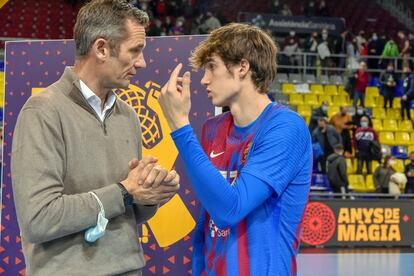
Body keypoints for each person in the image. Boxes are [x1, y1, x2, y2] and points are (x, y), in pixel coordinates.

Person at [11, 1, 180, 275]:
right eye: (135, 51)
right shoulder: (42, 112)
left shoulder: (128, 115)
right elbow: (38, 219)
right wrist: (125, 192)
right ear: (101, 48)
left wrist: (150, 195)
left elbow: (132, 213)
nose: (142, 62)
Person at [158, 23, 312, 275]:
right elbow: (206, 218)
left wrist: (179, 125)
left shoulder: (286, 128)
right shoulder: (212, 128)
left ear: (243, 67)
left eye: (212, 67)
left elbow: (230, 210)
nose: (204, 79)